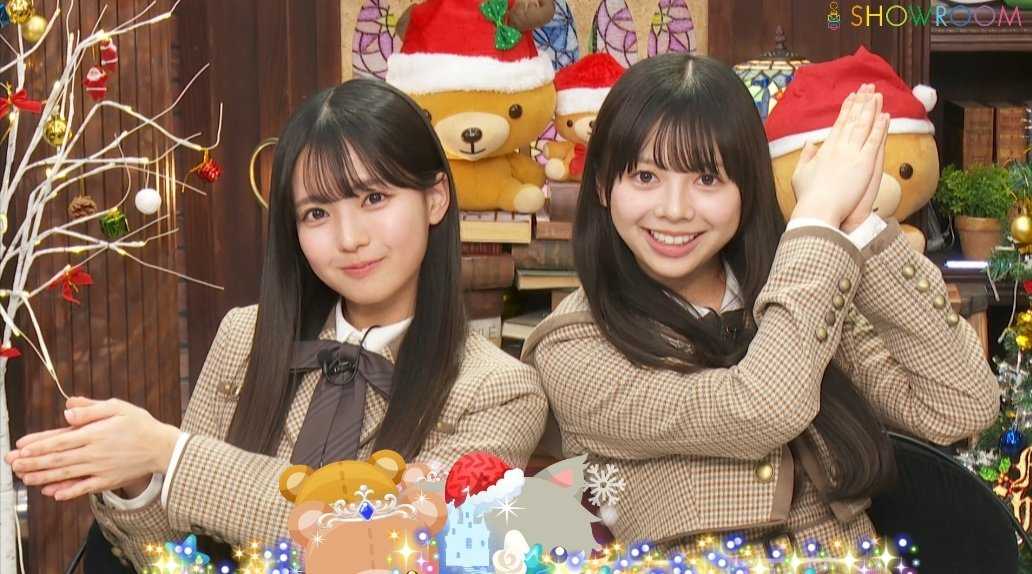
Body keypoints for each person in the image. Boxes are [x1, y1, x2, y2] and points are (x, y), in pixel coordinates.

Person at [6, 78, 548, 571]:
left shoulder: (500, 391)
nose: (350, 238)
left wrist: (171, 455)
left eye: (374, 198)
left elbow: (392, 550)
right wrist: (140, 480)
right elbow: (170, 556)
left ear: (435, 199)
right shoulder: (245, 337)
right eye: (317, 213)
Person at [521, 53, 999, 552]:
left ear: (748, 188)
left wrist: (858, 225)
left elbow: (961, 406)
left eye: (707, 179)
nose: (674, 210)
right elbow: (761, 408)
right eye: (645, 177)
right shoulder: (573, 346)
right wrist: (816, 218)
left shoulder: (802, 288)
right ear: (602, 186)